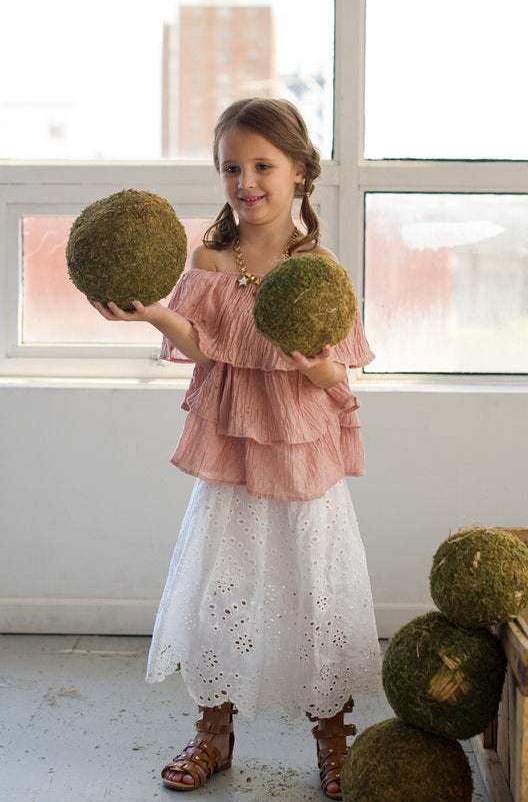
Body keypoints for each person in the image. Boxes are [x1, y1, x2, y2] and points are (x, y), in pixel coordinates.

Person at [92, 97, 382, 799]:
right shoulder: (211, 257)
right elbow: (203, 341)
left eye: (263, 166)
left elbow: (339, 370)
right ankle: (213, 732)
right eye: (232, 167)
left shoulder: (317, 268)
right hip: (234, 455)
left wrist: (318, 370)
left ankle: (331, 736)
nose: (246, 181)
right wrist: (157, 311)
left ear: (301, 173)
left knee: (314, 588)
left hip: (301, 450)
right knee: (224, 586)